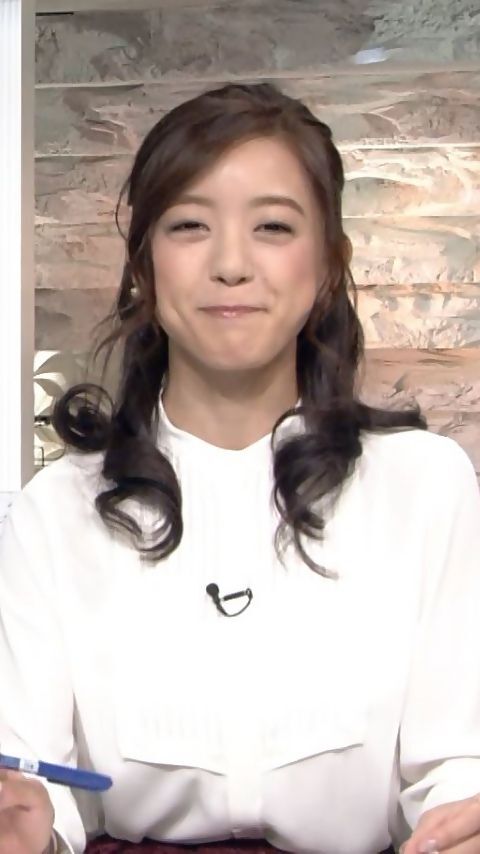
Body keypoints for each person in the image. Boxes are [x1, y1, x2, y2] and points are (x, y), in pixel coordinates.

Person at [0, 82, 479, 854]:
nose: (231, 264)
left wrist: (462, 819)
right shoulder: (56, 511)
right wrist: (31, 829)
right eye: (189, 225)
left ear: (329, 266)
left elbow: (457, 764)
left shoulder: (426, 487)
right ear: (144, 269)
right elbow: (36, 785)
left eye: (273, 227)